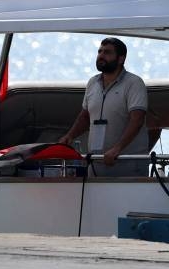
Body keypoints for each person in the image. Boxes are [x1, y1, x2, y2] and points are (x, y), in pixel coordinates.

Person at [58, 37, 149, 177]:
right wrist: (69, 136)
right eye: (99, 51)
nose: (101, 55)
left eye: (107, 52)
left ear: (121, 59)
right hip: (96, 164)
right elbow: (85, 116)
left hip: (127, 164)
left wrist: (117, 149)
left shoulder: (134, 83)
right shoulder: (92, 83)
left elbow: (137, 120)